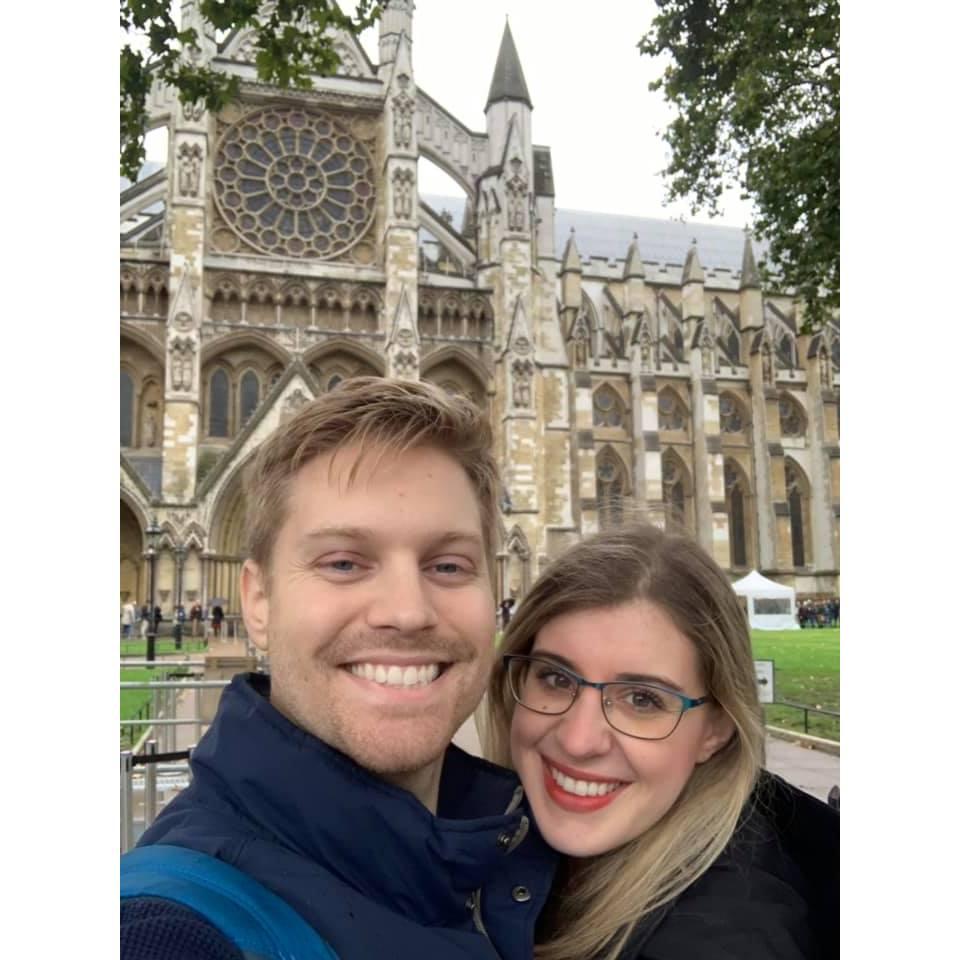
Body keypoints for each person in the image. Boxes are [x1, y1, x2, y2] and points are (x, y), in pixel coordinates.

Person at [120, 378, 557, 960]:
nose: (407, 612)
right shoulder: (168, 927)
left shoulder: (521, 856)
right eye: (344, 562)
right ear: (257, 600)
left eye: (448, 565)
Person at [484, 525, 839, 960]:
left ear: (717, 729)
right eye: (555, 678)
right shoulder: (501, 836)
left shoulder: (724, 938)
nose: (578, 740)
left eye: (642, 699)